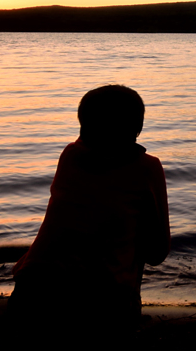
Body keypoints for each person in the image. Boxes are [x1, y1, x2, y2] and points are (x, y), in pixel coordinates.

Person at [9, 84, 170, 338]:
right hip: (102, 305)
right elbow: (158, 252)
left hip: (30, 292)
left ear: (83, 126)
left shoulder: (70, 155)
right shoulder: (147, 168)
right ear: (137, 129)